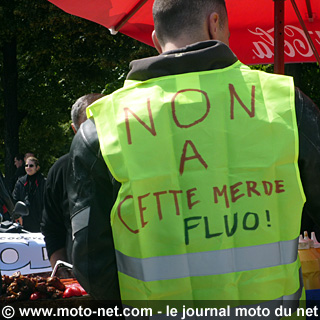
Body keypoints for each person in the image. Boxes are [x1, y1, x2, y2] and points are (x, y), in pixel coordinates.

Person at [67, 0, 320, 307]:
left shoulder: (101, 128)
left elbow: (90, 263)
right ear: (215, 24)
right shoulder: (285, 104)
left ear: (156, 41)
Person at [41, 93, 105, 270]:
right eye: (91, 124)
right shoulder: (60, 170)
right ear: (75, 130)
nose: (99, 130)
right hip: (81, 280)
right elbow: (52, 228)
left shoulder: (134, 162)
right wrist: (62, 271)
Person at [12, 157, 46, 232]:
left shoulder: (43, 182)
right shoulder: (20, 182)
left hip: (40, 219)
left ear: (37, 168)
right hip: (24, 220)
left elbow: (47, 201)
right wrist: (18, 215)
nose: (28, 168)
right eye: (26, 165)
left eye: (31, 166)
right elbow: (15, 199)